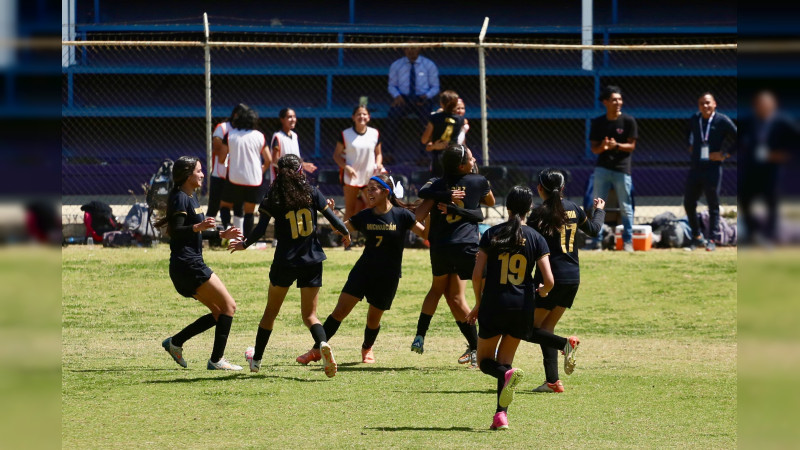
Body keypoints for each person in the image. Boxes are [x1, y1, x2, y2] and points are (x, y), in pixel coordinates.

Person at [464, 185, 580, 430]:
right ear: (530, 208)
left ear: (507, 207)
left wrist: (478, 303)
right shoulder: (536, 238)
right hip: (522, 306)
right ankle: (500, 416)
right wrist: (544, 292)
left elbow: (477, 275)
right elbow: (549, 281)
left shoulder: (491, 234)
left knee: (486, 361)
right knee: (505, 360)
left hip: (494, 303)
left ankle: (505, 386)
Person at [229, 154, 351, 378]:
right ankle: (322, 343)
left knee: (271, 313)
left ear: (278, 173)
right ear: (300, 172)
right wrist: (345, 233)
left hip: (285, 260)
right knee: (310, 316)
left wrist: (245, 244)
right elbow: (334, 220)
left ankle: (256, 361)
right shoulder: (312, 192)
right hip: (312, 259)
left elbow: (259, 229)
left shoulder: (274, 196)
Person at [297, 174, 425, 364]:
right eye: (368, 188)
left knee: (373, 319)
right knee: (339, 311)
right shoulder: (365, 215)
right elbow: (339, 229)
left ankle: (367, 348)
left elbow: (426, 233)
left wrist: (432, 212)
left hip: (388, 276)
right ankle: (316, 350)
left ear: (386, 192)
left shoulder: (402, 216)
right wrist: (331, 214)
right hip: (363, 271)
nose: (369, 192)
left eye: (373, 188)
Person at [411, 144, 494, 367]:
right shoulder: (477, 181)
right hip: (466, 245)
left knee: (449, 295)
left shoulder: (436, 184)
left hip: (440, 247)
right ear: (461, 164)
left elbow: (419, 207)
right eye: (470, 157)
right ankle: (483, 347)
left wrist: (444, 195)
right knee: (478, 298)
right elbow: (490, 203)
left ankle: (424, 335)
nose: (474, 158)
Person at [157, 156, 244, 371]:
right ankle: (216, 361)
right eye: (198, 171)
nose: (202, 174)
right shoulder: (179, 197)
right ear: (188, 175)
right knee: (229, 307)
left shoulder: (190, 196)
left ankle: (175, 342)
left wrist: (219, 233)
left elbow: (195, 232)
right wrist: (199, 227)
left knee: (219, 312)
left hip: (186, 265)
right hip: (188, 264)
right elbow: (176, 231)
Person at [526, 168, 605, 393]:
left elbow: (530, 247)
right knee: (546, 328)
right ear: (562, 189)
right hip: (572, 278)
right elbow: (595, 230)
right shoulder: (575, 209)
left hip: (550, 279)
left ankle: (565, 345)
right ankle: (553, 382)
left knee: (527, 329)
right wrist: (599, 210)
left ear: (540, 188)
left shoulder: (538, 214)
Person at [738, 91, 798, 246]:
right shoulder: (749, 121)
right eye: (759, 104)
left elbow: (793, 143)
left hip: (772, 169)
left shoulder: (783, 122)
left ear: (773, 105)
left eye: (765, 104)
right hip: (753, 169)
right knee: (745, 199)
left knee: (771, 202)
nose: (762, 107)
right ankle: (753, 232)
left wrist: (778, 155)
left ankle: (770, 236)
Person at [683, 92, 738, 251]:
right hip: (696, 167)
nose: (705, 106)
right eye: (702, 103)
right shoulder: (695, 119)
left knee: (713, 204)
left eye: (708, 103)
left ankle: (712, 238)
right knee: (689, 202)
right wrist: (690, 145)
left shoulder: (722, 120)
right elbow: (687, 133)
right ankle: (697, 237)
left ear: (714, 104)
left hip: (713, 168)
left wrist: (725, 154)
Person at [589, 85, 638, 252]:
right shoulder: (598, 122)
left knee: (625, 206)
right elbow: (594, 149)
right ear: (605, 102)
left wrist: (616, 145)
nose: (618, 102)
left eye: (620, 99)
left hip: (622, 169)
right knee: (597, 205)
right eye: (614, 100)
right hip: (602, 168)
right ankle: (596, 241)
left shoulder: (628, 121)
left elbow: (631, 146)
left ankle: (628, 241)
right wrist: (603, 146)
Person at [219, 107, 271, 238]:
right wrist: (261, 170)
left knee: (225, 205)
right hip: (253, 179)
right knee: (249, 211)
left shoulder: (230, 135)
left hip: (234, 177)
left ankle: (227, 230)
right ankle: (247, 239)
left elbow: (221, 158)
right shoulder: (259, 136)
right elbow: (268, 159)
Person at [384, 42, 439, 162]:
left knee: (427, 122)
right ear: (404, 49)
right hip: (403, 98)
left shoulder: (429, 65)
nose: (411, 52)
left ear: (419, 48)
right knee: (392, 117)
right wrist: (397, 96)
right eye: (408, 49)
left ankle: (424, 155)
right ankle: (388, 153)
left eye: (414, 49)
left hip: (422, 98)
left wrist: (426, 96)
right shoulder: (397, 65)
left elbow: (435, 87)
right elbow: (391, 85)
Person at [333, 105, 384, 222]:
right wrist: (346, 167)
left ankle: (367, 236)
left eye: (364, 114)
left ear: (369, 117)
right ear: (353, 117)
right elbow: (336, 155)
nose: (362, 116)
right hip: (352, 177)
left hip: (370, 177)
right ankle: (344, 239)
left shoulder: (374, 133)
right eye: (359, 114)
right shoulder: (345, 134)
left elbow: (379, 154)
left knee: (373, 208)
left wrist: (379, 164)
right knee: (350, 210)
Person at [208, 104, 248, 230]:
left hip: (236, 173)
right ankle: (207, 232)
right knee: (214, 203)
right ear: (236, 115)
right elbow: (217, 148)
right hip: (220, 172)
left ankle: (234, 232)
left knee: (236, 204)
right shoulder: (223, 127)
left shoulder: (244, 131)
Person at [421, 90, 466, 177]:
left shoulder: (435, 118)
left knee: (437, 181)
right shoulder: (460, 120)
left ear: (441, 103)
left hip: (438, 156)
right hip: (453, 154)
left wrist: (433, 145)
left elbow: (424, 140)